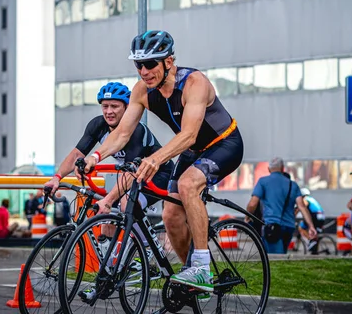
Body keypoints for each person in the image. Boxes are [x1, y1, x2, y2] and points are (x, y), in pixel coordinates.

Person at [79, 30, 244, 293]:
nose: (144, 71)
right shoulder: (142, 90)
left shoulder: (194, 82)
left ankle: (201, 268)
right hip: (193, 149)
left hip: (224, 144)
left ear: (168, 61)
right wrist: (95, 157)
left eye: (150, 64)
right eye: (138, 65)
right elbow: (122, 133)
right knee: (170, 215)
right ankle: (191, 276)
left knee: (189, 185)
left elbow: (189, 135)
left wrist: (155, 158)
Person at [44, 81, 174, 214]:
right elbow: (76, 155)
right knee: (107, 218)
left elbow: (131, 172)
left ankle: (140, 235)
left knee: (125, 205)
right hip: (135, 175)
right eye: (105, 106)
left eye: (114, 106)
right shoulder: (98, 125)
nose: (109, 112)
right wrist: (56, 178)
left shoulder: (136, 130)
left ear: (127, 107)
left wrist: (108, 200)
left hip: (159, 174)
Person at [247, 158, 317, 254]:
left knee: (275, 258)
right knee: (282, 253)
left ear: (269, 169)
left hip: (272, 226)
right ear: (282, 168)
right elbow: (302, 207)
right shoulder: (293, 185)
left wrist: (247, 217)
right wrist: (311, 226)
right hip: (289, 227)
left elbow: (252, 204)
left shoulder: (263, 182)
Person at [296, 187, 325, 254]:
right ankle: (314, 246)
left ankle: (310, 240)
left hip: (315, 216)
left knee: (301, 227)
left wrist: (294, 213)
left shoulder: (304, 199)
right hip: (321, 216)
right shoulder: (312, 199)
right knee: (315, 233)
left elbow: (302, 207)